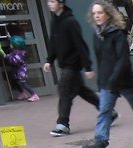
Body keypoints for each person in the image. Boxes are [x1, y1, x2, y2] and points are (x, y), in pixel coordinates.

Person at [82, 1, 133, 148]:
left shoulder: (118, 33)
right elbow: (101, 61)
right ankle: (100, 142)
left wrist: (112, 81)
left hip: (123, 80)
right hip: (107, 82)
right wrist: (102, 82)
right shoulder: (97, 35)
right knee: (104, 111)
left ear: (108, 13)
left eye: (100, 12)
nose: (97, 16)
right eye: (94, 13)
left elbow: (123, 60)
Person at [44, 0, 113, 137]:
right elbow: (53, 42)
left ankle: (63, 124)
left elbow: (80, 45)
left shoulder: (70, 22)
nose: (49, 4)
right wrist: (49, 60)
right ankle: (109, 112)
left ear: (61, 3)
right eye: (48, 1)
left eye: (52, 1)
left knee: (64, 91)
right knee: (82, 91)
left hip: (72, 64)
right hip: (64, 64)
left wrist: (87, 67)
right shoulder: (55, 21)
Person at [5, 36, 40, 102]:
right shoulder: (17, 51)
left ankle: (34, 95)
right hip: (17, 71)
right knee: (17, 82)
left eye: (11, 44)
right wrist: (9, 38)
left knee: (23, 83)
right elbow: (12, 52)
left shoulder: (19, 53)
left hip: (21, 72)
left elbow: (15, 61)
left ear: (15, 45)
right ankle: (22, 93)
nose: (10, 45)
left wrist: (8, 57)